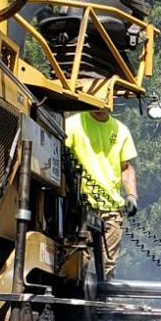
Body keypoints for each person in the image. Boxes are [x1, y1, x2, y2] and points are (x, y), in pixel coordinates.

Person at [63, 108, 138, 277]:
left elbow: (125, 167)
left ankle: (104, 297)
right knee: (77, 259)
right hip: (80, 205)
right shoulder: (74, 124)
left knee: (107, 265)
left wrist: (132, 196)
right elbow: (62, 157)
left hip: (111, 209)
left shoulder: (121, 130)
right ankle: (78, 297)